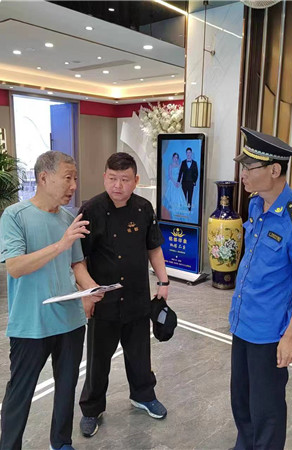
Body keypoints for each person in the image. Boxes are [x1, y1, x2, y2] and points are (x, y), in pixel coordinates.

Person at [0, 151, 103, 450]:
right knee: (20, 393)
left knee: (67, 387)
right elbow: (15, 267)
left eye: (75, 178)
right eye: (67, 178)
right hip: (31, 322)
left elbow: (76, 264)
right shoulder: (15, 216)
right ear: (44, 178)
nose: (73, 185)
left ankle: (61, 442)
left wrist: (92, 288)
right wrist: (60, 244)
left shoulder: (69, 218)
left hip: (70, 320)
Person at [229, 128, 292, 450]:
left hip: (269, 332)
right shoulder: (256, 204)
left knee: (266, 409)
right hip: (242, 322)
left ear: (274, 170)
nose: (242, 174)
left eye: (249, 168)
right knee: (241, 400)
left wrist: (290, 336)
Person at [78, 152, 170, 438]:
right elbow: (78, 259)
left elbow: (153, 247)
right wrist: (87, 293)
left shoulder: (144, 208)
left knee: (140, 353)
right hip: (103, 300)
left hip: (137, 296)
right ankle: (91, 409)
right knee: (98, 360)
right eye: (112, 178)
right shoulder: (90, 210)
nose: (118, 185)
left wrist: (163, 281)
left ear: (136, 180)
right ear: (104, 177)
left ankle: (143, 395)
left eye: (125, 179)